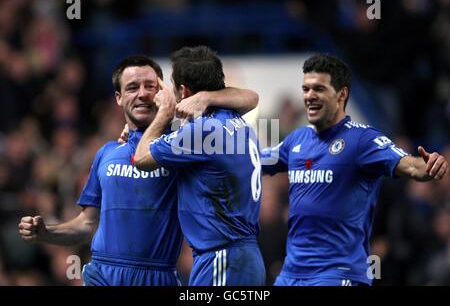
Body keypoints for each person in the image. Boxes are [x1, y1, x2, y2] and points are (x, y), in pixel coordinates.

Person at [18, 55, 259, 286]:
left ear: (164, 93)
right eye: (132, 87)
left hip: (158, 275)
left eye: (150, 86)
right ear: (119, 98)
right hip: (103, 273)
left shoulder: (183, 147)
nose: (142, 93)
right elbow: (87, 224)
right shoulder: (107, 153)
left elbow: (250, 98)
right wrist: (48, 232)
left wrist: (205, 97)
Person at [261, 54, 449, 286]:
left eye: (318, 89)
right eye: (306, 89)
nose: (309, 96)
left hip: (337, 274)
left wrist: (429, 166)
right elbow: (255, 162)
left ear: (342, 94)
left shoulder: (362, 140)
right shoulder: (297, 140)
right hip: (292, 275)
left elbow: (410, 165)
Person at [134, 46, 266, 286]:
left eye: (172, 86)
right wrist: (204, 98)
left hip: (222, 260)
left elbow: (141, 158)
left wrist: (164, 113)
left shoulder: (203, 133)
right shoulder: (238, 121)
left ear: (184, 91)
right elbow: (251, 97)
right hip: (246, 258)